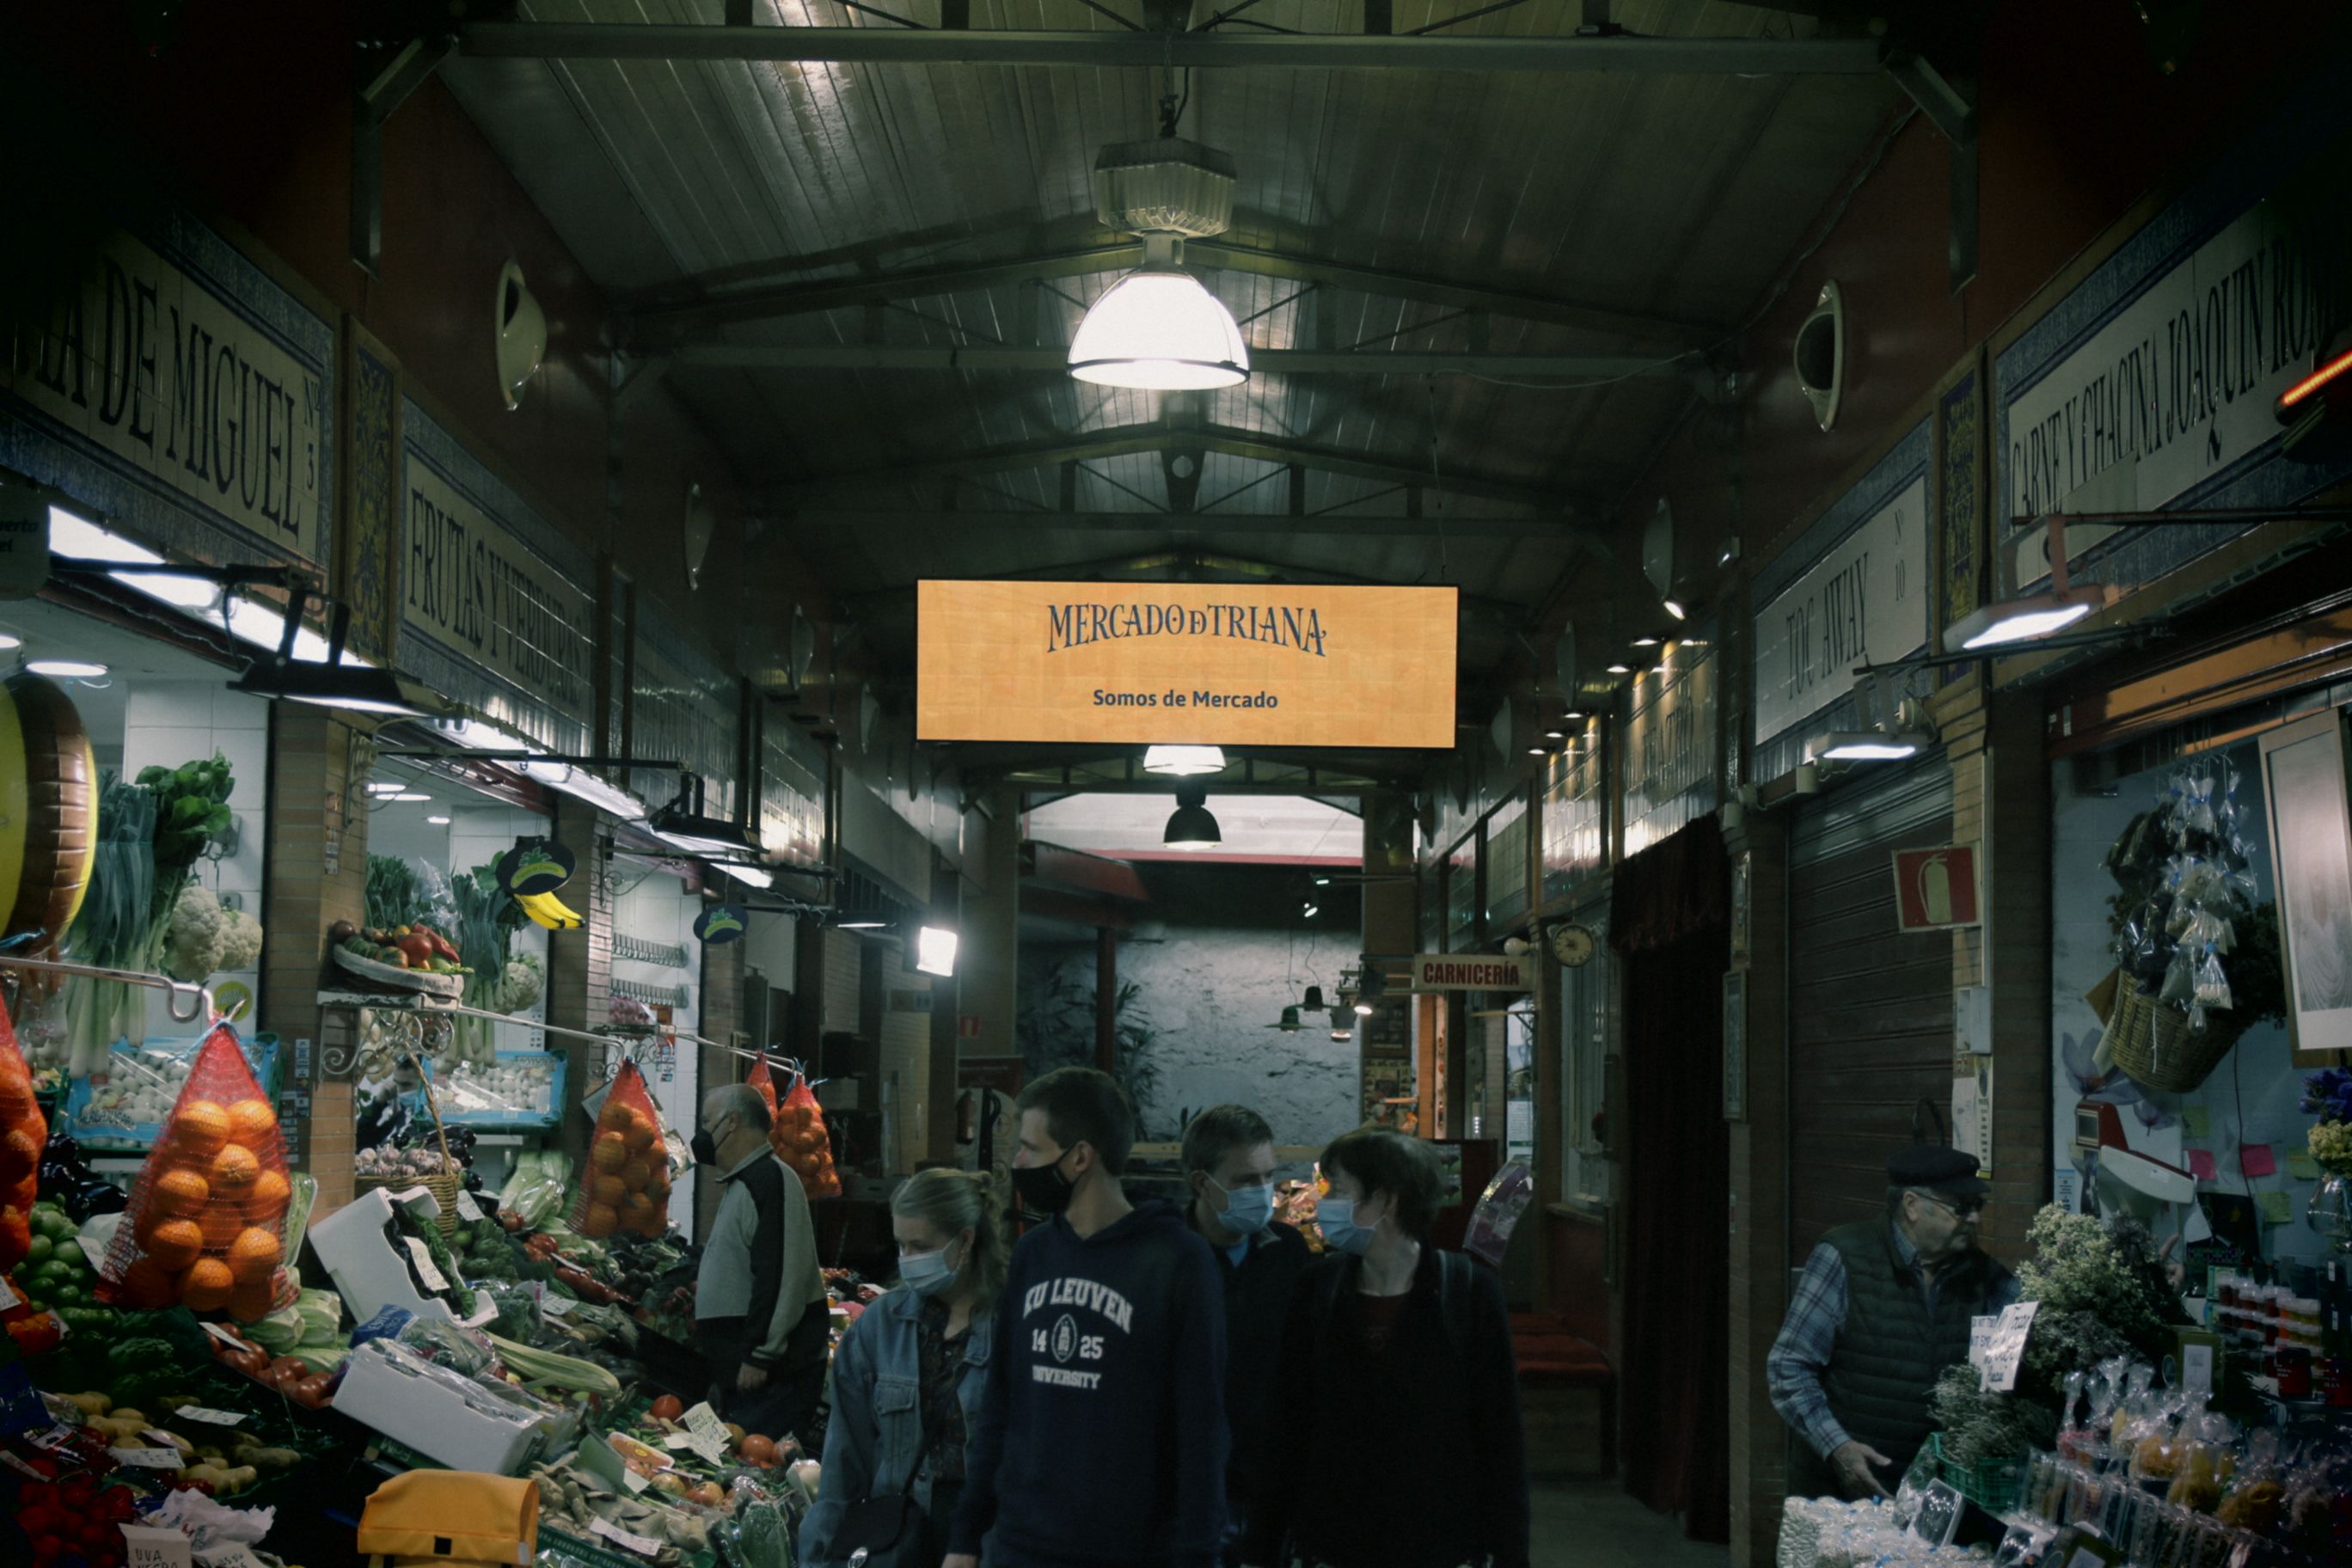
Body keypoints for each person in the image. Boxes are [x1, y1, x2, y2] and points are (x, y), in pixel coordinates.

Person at [946, 1067, 1228, 1568]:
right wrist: (966, 1536)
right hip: (1022, 1543)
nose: (1018, 1163)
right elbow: (1002, 1404)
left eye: (1030, 1148)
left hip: (1130, 1549)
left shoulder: (1177, 1260)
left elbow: (1200, 1427)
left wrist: (1197, 1554)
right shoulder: (1033, 1253)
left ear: (1079, 1156)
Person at [1246, 1130, 1528, 1568]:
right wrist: (1262, 1547)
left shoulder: (1468, 1294)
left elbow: (1500, 1438)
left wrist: (1510, 1554)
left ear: (1388, 1200)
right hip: (1334, 1543)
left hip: (1437, 1544)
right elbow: (1287, 1424)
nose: (1325, 1204)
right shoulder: (1317, 1289)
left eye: (1339, 1190)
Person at [1767, 1145, 2019, 1501]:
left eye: (1977, 1207)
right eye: (1961, 1208)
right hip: (1840, 1496)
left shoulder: (1985, 1276)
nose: (1975, 1219)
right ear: (1912, 1205)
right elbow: (1788, 1368)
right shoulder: (1844, 1257)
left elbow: (2025, 1342)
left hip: (1934, 1502)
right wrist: (1838, 1447)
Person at [799, 1167, 1008, 1566]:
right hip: (896, 1538)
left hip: (987, 1542)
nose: (907, 1260)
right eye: (901, 1245)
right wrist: (819, 1555)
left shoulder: (1013, 1327)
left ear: (965, 1240)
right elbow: (845, 1460)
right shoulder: (879, 1330)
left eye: (920, 1245)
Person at [1182, 1105, 1311, 1567]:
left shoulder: (1287, 1254)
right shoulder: (1165, 1258)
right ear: (1202, 1183)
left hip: (1266, 1486)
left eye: (1268, 1177)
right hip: (1186, 1486)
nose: (1262, 1193)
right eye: (1244, 1181)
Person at [690, 1083, 830, 1441]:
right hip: (749, 1374)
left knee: (758, 1471)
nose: (703, 1131)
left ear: (731, 1122)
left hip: (775, 1376)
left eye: (708, 1121)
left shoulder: (771, 1179)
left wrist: (759, 1355)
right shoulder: (745, 1182)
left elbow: (782, 1274)